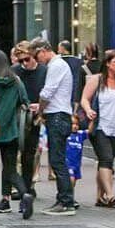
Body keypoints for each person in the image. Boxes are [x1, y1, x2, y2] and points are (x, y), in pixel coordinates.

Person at [29, 39, 79, 215]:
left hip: (57, 117)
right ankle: (64, 199)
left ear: (43, 50)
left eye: (36, 55)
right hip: (59, 115)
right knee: (58, 159)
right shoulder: (59, 65)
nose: (37, 60)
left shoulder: (56, 65)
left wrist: (40, 109)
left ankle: (66, 202)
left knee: (57, 160)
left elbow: (47, 92)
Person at [80, 48, 115, 209]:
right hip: (100, 126)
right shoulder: (97, 80)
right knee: (106, 159)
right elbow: (84, 99)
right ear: (107, 64)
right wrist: (88, 110)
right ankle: (110, 195)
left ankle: (99, 196)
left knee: (105, 162)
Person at [0, 49, 31, 216]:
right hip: (11, 131)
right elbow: (25, 102)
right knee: (10, 169)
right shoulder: (16, 80)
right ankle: (25, 193)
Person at [12, 43, 47, 204]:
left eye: (27, 59)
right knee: (15, 154)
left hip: (35, 117)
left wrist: (39, 107)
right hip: (17, 117)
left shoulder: (43, 71)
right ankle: (20, 188)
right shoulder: (15, 71)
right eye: (21, 61)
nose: (24, 63)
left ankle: (28, 186)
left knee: (30, 154)